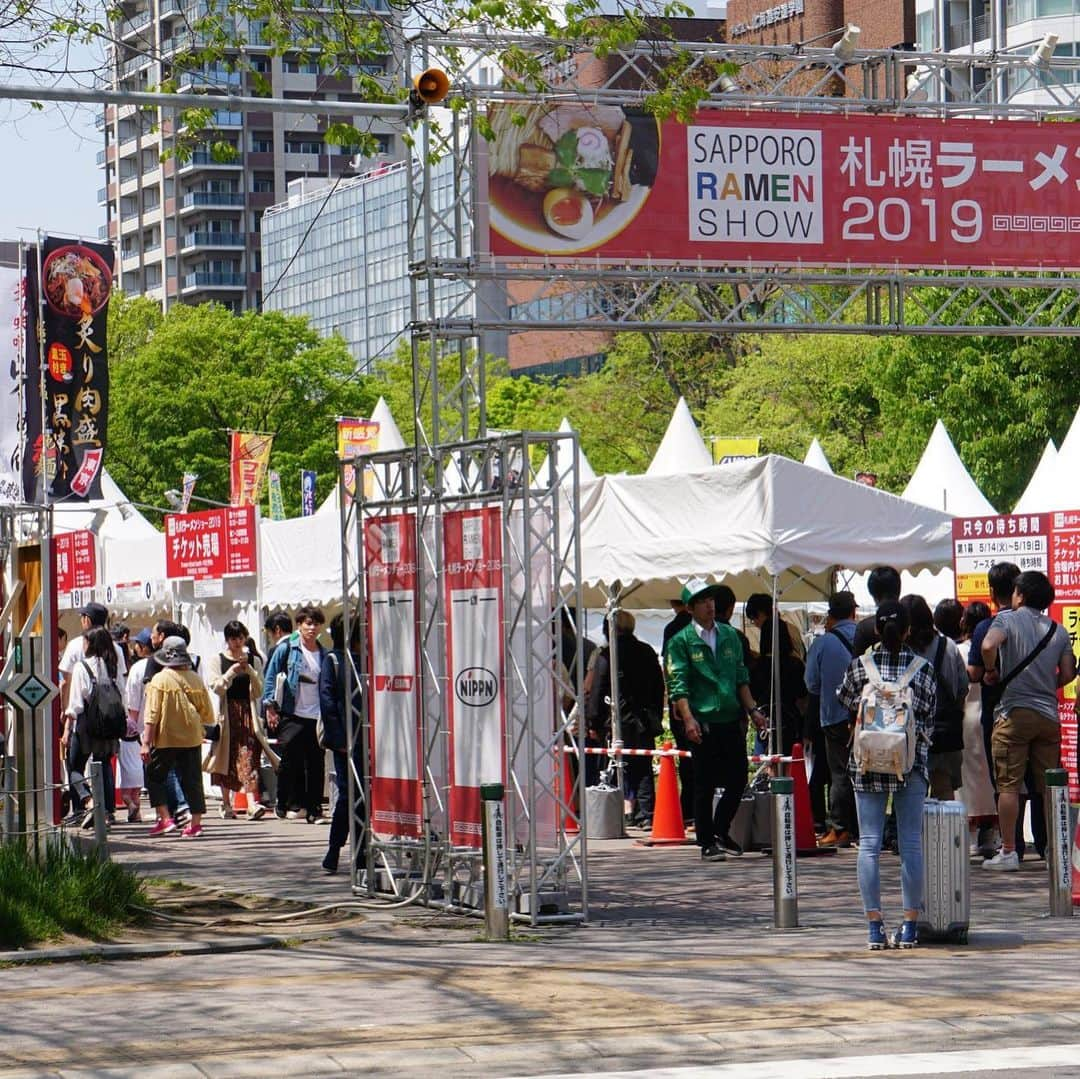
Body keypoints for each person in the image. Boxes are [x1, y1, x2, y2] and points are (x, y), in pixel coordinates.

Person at [838, 601, 937, 950]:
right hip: (910, 764)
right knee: (910, 843)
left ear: (876, 630)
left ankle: (874, 927)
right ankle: (909, 926)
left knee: (869, 843)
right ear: (909, 630)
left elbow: (845, 699)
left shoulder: (860, 667)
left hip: (866, 764)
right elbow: (928, 713)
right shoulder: (922, 669)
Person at [666, 578, 768, 861]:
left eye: (711, 599)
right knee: (704, 782)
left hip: (731, 717)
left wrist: (753, 711)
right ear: (690, 608)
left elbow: (740, 678)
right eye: (702, 600)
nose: (709, 605)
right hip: (703, 720)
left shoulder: (730, 636)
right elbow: (679, 685)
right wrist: (688, 719)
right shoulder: (680, 642)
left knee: (738, 779)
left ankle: (721, 829)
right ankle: (706, 841)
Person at [980, 570, 1075, 871]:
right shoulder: (1058, 631)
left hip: (1013, 714)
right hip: (1048, 716)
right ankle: (1054, 853)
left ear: (1019, 594)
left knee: (1009, 785)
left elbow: (987, 646)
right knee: (1049, 786)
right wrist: (1047, 685)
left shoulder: (1006, 620)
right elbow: (1069, 673)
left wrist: (992, 671)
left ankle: (1009, 851)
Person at [585, 610, 665, 829]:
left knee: (613, 766)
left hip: (616, 720)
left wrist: (593, 721)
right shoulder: (647, 651)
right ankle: (646, 814)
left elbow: (598, 690)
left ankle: (614, 814)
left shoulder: (608, 654)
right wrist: (655, 713)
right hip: (644, 718)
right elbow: (659, 686)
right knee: (643, 767)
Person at [141, 636, 215, 839]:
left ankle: (165, 818)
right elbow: (207, 713)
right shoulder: (195, 678)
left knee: (154, 775)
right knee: (193, 779)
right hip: (192, 736)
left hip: (166, 737)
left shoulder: (159, 680)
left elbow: (152, 714)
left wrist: (146, 742)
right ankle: (196, 824)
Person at [204, 621, 278, 821]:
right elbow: (216, 687)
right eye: (233, 638)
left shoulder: (254, 660)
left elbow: (259, 690)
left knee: (249, 756)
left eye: (240, 638)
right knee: (226, 758)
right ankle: (226, 803)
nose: (237, 642)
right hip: (227, 714)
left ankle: (252, 803)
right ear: (227, 640)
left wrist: (250, 671)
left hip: (248, 714)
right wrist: (231, 672)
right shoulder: (217, 660)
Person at [262, 606, 328, 824]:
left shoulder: (323, 652)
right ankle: (286, 801)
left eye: (316, 623)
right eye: (308, 623)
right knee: (290, 758)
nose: (312, 628)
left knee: (316, 762)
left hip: (316, 714)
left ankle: (314, 809)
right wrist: (270, 707)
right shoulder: (288, 648)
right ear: (299, 624)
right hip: (292, 711)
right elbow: (271, 677)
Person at [804, 591, 858, 847]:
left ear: (830, 614)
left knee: (839, 773)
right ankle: (862, 826)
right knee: (864, 772)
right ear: (853, 611)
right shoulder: (863, 635)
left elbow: (811, 683)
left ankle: (840, 828)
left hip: (834, 715)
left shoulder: (822, 643)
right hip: (864, 716)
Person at [901, 594, 968, 800]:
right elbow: (962, 687)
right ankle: (946, 832)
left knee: (911, 792)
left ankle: (914, 832)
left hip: (908, 731)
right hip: (945, 729)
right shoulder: (948, 646)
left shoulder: (902, 652)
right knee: (944, 788)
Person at [61, 627, 125, 828]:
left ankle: (89, 802)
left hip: (86, 724)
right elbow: (122, 694)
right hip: (109, 725)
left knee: (74, 767)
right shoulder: (112, 667)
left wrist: (67, 729)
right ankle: (106, 814)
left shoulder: (83, 667)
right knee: (103, 766)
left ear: (91, 644)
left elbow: (76, 704)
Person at [318, 614, 366, 874]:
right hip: (346, 741)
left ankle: (362, 853)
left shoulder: (368, 660)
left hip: (367, 739)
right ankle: (335, 849)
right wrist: (339, 740)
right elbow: (327, 703)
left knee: (365, 798)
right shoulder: (333, 660)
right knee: (349, 795)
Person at [956, 601, 998, 855]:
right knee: (991, 777)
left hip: (966, 718)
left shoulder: (958, 650)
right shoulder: (996, 648)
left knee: (968, 781)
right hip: (990, 712)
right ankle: (992, 833)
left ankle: (970, 835)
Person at [748, 614, 806, 756]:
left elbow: (752, 694)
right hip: (790, 719)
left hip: (764, 719)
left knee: (766, 762)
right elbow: (802, 695)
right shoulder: (795, 664)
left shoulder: (756, 666)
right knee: (789, 761)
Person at [662, 595, 694, 825]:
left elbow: (669, 668)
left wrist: (673, 698)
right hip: (706, 702)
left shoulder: (673, 629)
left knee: (687, 758)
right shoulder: (715, 630)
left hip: (682, 702)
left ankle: (689, 808)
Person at [116, 627, 154, 822]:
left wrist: (130, 725)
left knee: (132, 768)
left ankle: (132, 804)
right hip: (161, 728)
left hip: (139, 731)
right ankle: (141, 809)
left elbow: (133, 705)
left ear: (142, 647)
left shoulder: (138, 669)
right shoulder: (163, 665)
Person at [853, 566, 902, 656]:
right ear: (899, 590)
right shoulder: (912, 621)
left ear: (872, 593)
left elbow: (855, 663)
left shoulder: (864, 628)